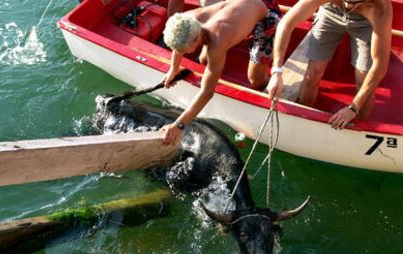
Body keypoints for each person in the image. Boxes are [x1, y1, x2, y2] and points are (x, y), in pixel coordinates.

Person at [162, 0, 281, 145]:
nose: (180, 52)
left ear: (197, 38)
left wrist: (179, 125)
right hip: (244, 7)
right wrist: (174, 68)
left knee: (255, 79)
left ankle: (272, 82)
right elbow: (178, 46)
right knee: (204, 60)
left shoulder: (217, 42)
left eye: (183, 50)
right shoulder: (186, 19)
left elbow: (207, 92)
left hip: (266, 15)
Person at [266, 0, 392, 129]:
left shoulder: (380, 7)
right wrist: (276, 71)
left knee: (363, 82)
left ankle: (361, 127)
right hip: (330, 10)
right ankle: (302, 120)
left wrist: (353, 108)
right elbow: (286, 24)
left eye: (354, 3)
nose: (348, 6)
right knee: (312, 74)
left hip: (366, 23)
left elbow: (379, 64)